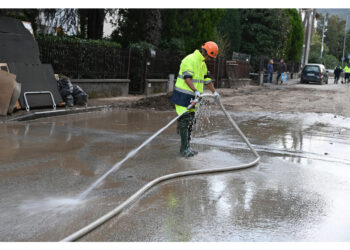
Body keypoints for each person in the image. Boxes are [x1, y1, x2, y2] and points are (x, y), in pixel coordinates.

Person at [170, 41, 220, 157]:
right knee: (185, 120)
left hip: (193, 97)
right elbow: (187, 78)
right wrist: (196, 90)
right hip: (182, 96)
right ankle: (184, 149)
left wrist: (215, 92)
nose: (209, 59)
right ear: (205, 52)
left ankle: (187, 146)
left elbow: (206, 80)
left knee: (191, 121)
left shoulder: (202, 64)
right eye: (209, 57)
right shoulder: (190, 59)